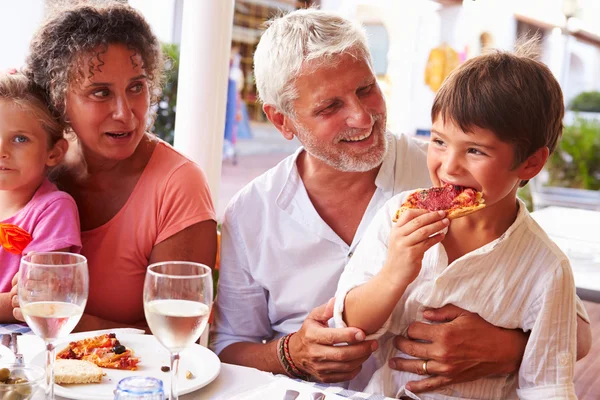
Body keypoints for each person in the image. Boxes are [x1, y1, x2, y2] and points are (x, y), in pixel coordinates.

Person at [210, 8, 591, 394]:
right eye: (330, 107)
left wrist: (506, 348)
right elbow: (225, 349)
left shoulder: (458, 171)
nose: (362, 117)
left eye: (365, 89)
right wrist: (291, 355)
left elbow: (572, 333)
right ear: (282, 121)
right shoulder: (251, 213)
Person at [335, 45, 577, 399]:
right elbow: (351, 323)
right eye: (438, 141)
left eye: (475, 150)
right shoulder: (400, 214)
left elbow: (547, 386)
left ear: (530, 164)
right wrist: (396, 271)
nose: (449, 166)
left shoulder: (547, 268)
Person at [10, 2, 217, 330]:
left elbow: (177, 333)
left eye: (136, 87)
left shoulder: (178, 184)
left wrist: (62, 320)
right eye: (100, 92)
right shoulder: (39, 162)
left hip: (131, 376)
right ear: (58, 99)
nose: (125, 112)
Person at [0, 69, 81, 322]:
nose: (1, 150)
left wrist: (21, 299)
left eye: (20, 138)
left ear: (54, 153)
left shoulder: (53, 209)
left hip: (19, 348)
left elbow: (35, 299)